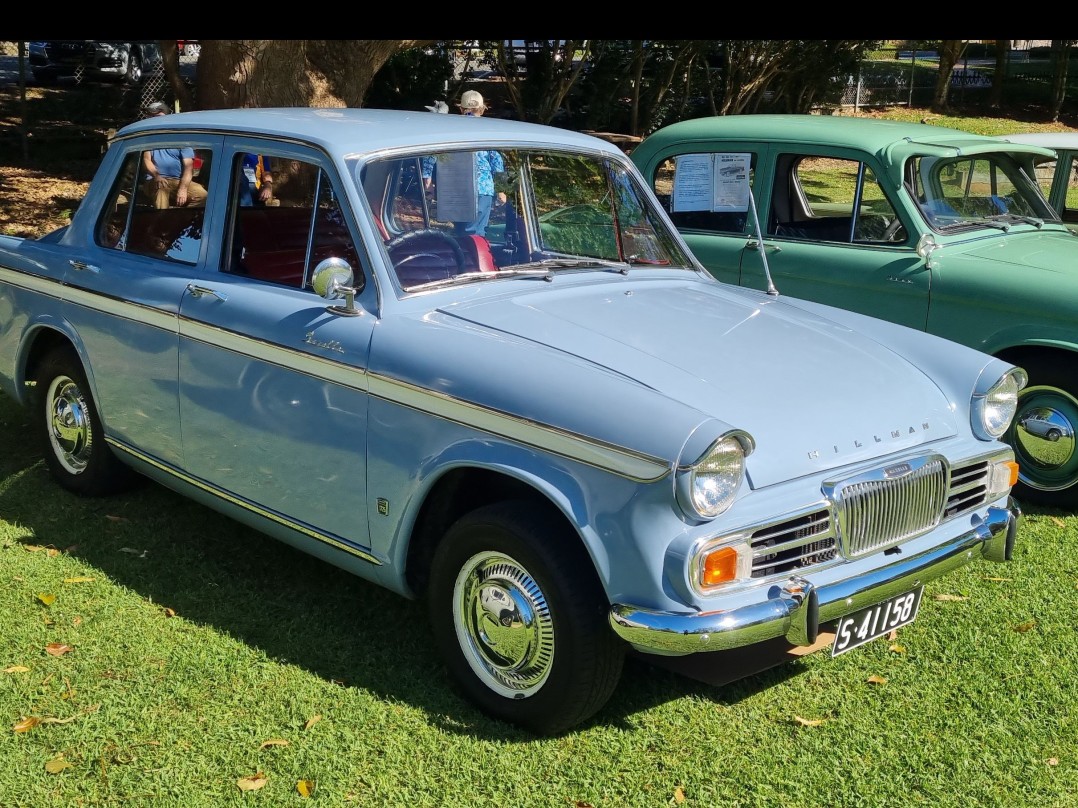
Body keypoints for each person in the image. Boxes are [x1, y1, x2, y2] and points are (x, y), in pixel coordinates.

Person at [421, 90, 507, 237]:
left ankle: (463, 253)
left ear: (461, 109)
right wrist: (501, 189)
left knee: (462, 230)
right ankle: (472, 256)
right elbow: (496, 160)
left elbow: (432, 153)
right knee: (476, 232)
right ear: (482, 109)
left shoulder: (451, 129)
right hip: (482, 189)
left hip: (455, 187)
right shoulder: (488, 131)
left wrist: (427, 178)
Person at [141, 103, 208, 209]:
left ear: (167, 116)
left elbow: (188, 167)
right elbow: (147, 160)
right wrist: (157, 176)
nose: (154, 119)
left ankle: (183, 220)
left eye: (157, 116)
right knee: (161, 187)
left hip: (176, 181)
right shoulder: (148, 136)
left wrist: (183, 189)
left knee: (202, 195)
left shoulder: (181, 137)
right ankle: (163, 222)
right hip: (154, 180)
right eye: (151, 116)